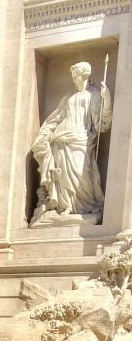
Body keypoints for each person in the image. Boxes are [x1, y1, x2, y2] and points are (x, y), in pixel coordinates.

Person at [31, 61, 112, 222]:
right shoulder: (69, 96)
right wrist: (45, 134)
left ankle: (84, 207)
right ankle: (65, 206)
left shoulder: (95, 94)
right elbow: (57, 117)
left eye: (74, 76)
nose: (73, 79)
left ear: (82, 75)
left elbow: (101, 122)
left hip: (81, 139)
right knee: (61, 175)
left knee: (82, 174)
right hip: (60, 138)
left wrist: (107, 99)